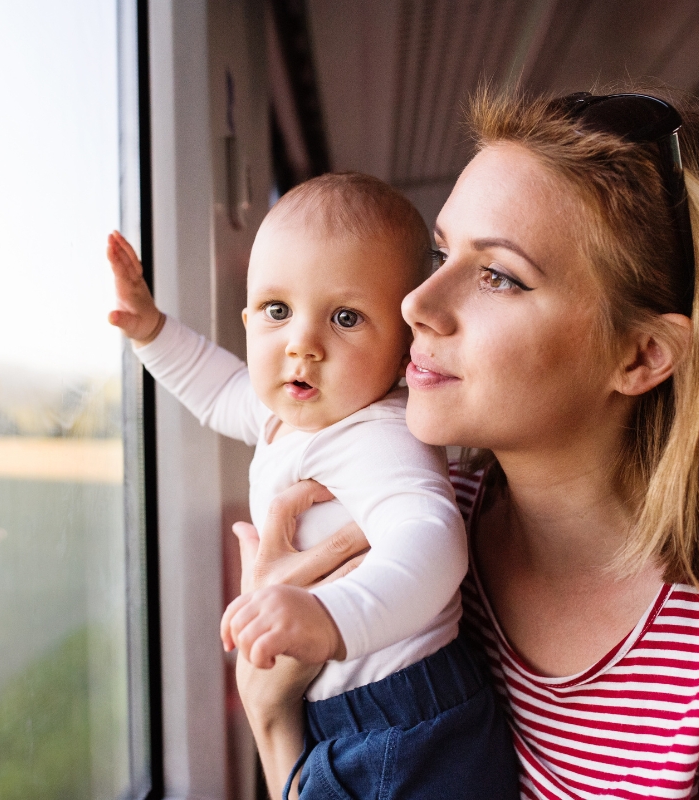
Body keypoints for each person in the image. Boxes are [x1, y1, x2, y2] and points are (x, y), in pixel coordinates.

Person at [234, 88, 699, 799]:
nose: (416, 303)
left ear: (641, 356)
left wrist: (273, 723)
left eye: (499, 276)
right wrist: (272, 714)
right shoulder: (393, 535)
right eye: (440, 253)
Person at [106, 172, 519, 799]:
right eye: (277, 311)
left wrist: (330, 616)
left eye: (346, 318)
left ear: (407, 343)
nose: (303, 344)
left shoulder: (378, 434)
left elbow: (434, 540)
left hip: (405, 726)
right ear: (246, 317)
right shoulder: (289, 414)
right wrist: (151, 331)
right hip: (349, 716)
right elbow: (219, 391)